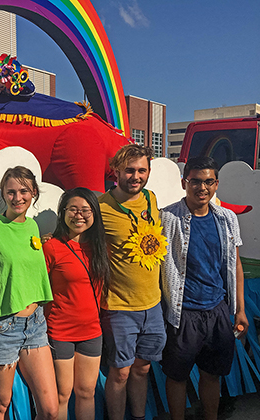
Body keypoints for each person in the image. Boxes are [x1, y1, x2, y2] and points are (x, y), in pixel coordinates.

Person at [160, 156, 248, 420]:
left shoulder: (227, 219)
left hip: (218, 311)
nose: (202, 188)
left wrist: (240, 309)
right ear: (184, 182)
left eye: (208, 182)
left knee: (212, 375)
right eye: (195, 181)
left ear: (216, 184)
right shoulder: (167, 217)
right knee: (177, 376)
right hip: (183, 313)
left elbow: (235, 266)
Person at [0, 166, 58, 420]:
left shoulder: (32, 226)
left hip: (35, 324)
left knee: (50, 408)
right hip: (1, 327)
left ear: (34, 193)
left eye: (24, 191)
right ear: (3, 195)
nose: (18, 198)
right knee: (0, 406)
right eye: (11, 192)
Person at [98, 144, 167, 420]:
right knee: (120, 372)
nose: (136, 176)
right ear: (115, 171)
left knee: (142, 369)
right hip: (119, 306)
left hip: (153, 304)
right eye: (129, 170)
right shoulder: (101, 207)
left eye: (142, 170)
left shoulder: (150, 199)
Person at [44, 187, 110, 420]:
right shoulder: (51, 247)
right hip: (61, 330)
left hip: (92, 330)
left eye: (85, 210)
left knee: (86, 392)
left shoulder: (100, 246)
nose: (79, 215)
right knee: (62, 394)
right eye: (73, 209)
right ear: (62, 213)